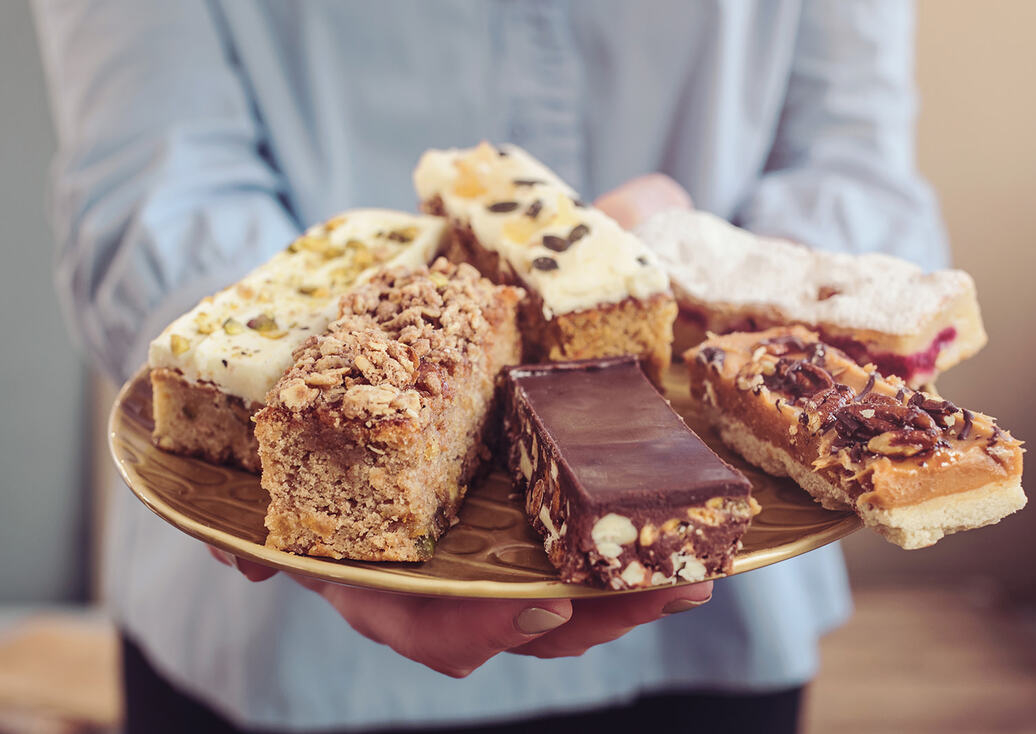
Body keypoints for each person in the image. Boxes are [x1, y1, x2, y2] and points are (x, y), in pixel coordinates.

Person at [34, 1, 947, 732]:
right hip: (275, 659)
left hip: (717, 626)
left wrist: (710, 274)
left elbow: (852, 161)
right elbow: (157, 181)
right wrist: (305, 392)